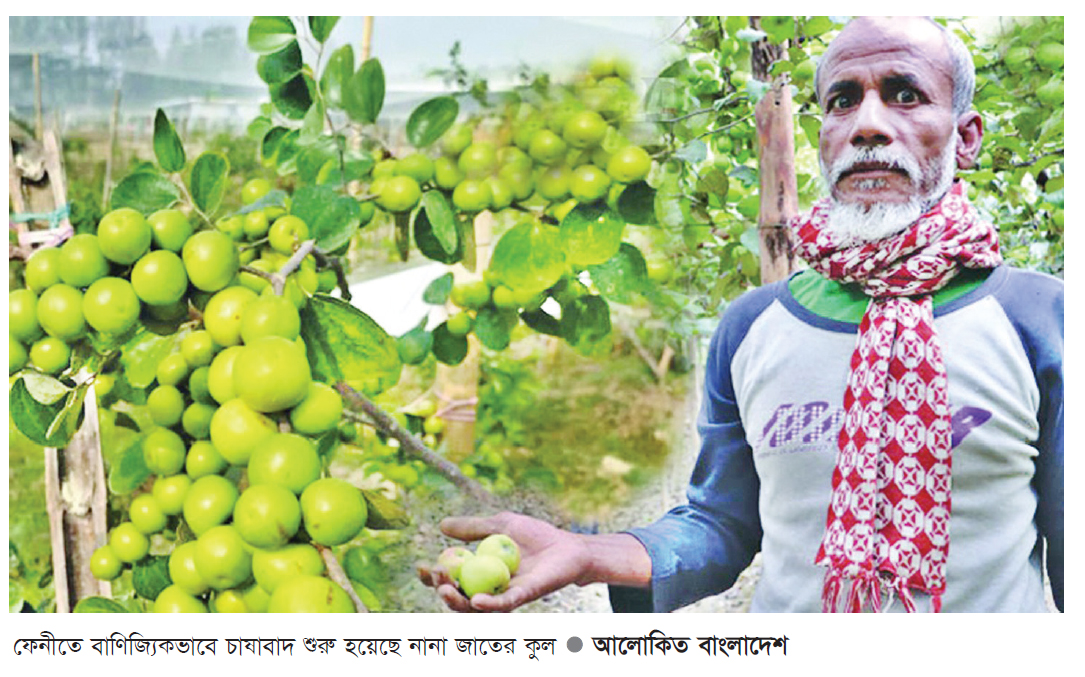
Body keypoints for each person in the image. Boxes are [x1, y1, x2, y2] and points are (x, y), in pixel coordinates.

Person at [418, 16, 1063, 613]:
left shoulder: (1041, 319)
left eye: (904, 94)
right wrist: (594, 553)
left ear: (967, 136)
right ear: (823, 139)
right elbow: (722, 524)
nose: (868, 123)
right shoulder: (755, 325)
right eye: (842, 101)